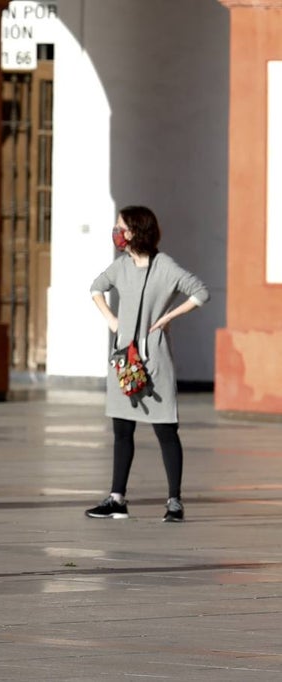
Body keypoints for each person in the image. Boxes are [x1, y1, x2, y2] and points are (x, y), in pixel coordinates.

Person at [84, 206, 209, 523]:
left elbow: (200, 292)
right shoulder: (121, 266)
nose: (117, 232)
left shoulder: (164, 266)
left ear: (136, 230)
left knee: (167, 431)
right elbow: (96, 287)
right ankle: (116, 499)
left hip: (155, 362)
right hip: (125, 361)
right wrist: (112, 321)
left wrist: (168, 316)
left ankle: (175, 501)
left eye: (121, 226)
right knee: (122, 431)